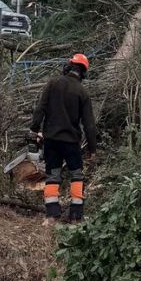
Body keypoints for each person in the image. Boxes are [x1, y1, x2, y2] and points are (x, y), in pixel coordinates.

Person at [30, 53, 97, 223]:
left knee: (52, 175)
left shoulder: (52, 83)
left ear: (69, 66)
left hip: (51, 140)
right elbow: (89, 125)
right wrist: (92, 150)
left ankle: (52, 215)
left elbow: (40, 109)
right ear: (83, 73)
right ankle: (76, 216)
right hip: (71, 141)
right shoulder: (82, 92)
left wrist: (34, 129)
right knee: (77, 175)